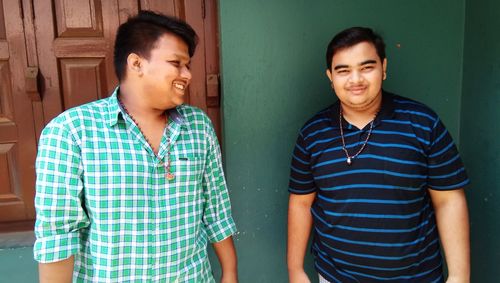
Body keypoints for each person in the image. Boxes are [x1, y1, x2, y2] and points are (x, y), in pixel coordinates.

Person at [34, 10, 237, 283]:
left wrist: (230, 274)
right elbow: (57, 236)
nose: (187, 74)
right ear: (136, 63)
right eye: (176, 63)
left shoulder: (198, 126)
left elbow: (217, 211)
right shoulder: (71, 132)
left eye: (187, 65)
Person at [287, 27, 470, 283]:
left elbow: (449, 200)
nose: (356, 79)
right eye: (343, 70)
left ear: (383, 68)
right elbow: (301, 203)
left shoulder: (423, 123)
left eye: (366, 67)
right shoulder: (313, 134)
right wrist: (295, 270)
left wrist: (460, 275)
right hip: (335, 276)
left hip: (418, 277)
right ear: (330, 76)